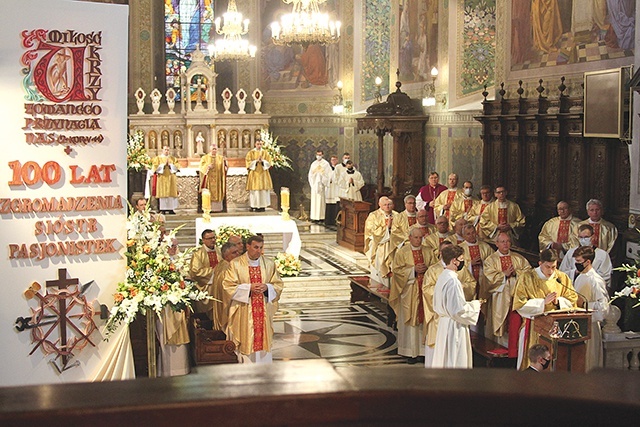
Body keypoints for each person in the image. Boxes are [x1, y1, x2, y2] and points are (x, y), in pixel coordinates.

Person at [513, 249, 578, 370]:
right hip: (533, 325)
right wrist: (543, 303)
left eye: (554, 267)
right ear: (540, 263)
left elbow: (573, 299)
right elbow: (519, 304)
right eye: (547, 267)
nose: (551, 271)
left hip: (556, 327)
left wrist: (559, 301)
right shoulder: (527, 278)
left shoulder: (562, 278)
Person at [223, 235, 284, 363]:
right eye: (256, 247)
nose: (259, 251)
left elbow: (278, 285)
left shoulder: (269, 264)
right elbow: (228, 286)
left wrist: (267, 287)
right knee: (246, 342)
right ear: (248, 246)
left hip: (263, 312)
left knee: (263, 344)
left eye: (261, 248)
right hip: (245, 312)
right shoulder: (236, 264)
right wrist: (248, 288)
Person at [422, 241, 477, 367]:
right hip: (454, 325)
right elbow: (457, 310)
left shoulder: (444, 276)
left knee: (444, 358)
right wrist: (475, 306)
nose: (463, 262)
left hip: (444, 323)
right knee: (454, 359)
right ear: (454, 261)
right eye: (461, 259)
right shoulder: (453, 281)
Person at [390, 228, 435, 363]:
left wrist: (427, 270)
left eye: (420, 237)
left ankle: (422, 351)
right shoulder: (402, 252)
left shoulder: (428, 251)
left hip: (425, 292)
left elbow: (435, 268)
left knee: (424, 320)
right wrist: (413, 271)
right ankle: (409, 351)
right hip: (409, 291)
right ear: (409, 238)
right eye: (415, 237)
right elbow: (397, 271)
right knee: (410, 321)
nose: (418, 240)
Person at [483, 232, 532, 352]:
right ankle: (498, 348)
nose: (506, 244)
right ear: (497, 244)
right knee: (500, 324)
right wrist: (503, 275)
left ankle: (513, 348)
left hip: (516, 296)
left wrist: (517, 273)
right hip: (499, 298)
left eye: (508, 241)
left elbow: (529, 273)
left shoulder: (519, 258)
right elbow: (489, 278)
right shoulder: (491, 260)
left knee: (514, 324)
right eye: (503, 242)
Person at [572, 245, 609, 371]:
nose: (576, 264)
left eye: (578, 262)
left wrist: (584, 304)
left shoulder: (596, 280)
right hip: (578, 325)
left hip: (590, 327)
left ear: (588, 262)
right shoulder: (581, 276)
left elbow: (604, 308)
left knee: (589, 362)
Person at [156, 237, 190, 377]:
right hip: (165, 309)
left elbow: (186, 279)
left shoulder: (180, 261)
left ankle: (182, 370)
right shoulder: (159, 262)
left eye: (176, 245)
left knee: (180, 343)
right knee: (166, 340)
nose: (174, 248)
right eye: (171, 245)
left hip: (178, 306)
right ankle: (167, 371)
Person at [458, 224, 493, 332]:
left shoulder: (485, 247)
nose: (471, 236)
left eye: (473, 232)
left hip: (483, 283)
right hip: (468, 284)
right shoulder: (460, 248)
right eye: (468, 234)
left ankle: (482, 332)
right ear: (463, 236)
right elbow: (457, 266)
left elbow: (492, 262)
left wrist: (484, 263)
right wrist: (470, 264)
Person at [560, 224, 612, 289]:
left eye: (586, 237)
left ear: (592, 237)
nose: (583, 240)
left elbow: (605, 276)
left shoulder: (603, 255)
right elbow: (562, 272)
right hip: (573, 288)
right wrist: (575, 272)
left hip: (593, 288)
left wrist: (588, 279)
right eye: (581, 237)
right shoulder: (571, 253)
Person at [364, 196, 399, 287]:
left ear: (393, 205)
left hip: (394, 248)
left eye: (389, 204)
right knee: (379, 274)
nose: (387, 206)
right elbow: (372, 232)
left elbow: (403, 231)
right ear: (379, 205)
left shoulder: (397, 215)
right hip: (379, 249)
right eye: (385, 205)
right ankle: (378, 294)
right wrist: (387, 228)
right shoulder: (373, 216)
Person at [189, 229, 222, 319]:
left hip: (219, 286)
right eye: (209, 238)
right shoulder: (198, 254)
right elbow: (195, 271)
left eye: (214, 237)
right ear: (203, 240)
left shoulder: (219, 251)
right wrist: (213, 271)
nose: (213, 240)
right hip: (206, 287)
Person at [212, 242, 242, 332]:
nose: (238, 255)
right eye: (234, 253)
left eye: (238, 252)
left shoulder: (222, 264)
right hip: (227, 306)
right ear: (226, 256)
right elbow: (228, 289)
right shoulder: (227, 269)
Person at [245, 138, 273, 212]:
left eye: (260, 144)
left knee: (263, 191)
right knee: (255, 191)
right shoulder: (251, 153)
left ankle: (262, 206)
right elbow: (248, 162)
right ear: (255, 144)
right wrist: (256, 162)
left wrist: (263, 161)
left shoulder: (265, 153)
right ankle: (254, 206)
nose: (259, 145)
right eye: (258, 144)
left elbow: (269, 163)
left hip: (263, 174)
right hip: (254, 174)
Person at [199, 144, 228, 213]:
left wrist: (226, 166)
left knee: (218, 192)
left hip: (218, 180)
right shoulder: (205, 157)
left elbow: (224, 168)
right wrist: (207, 166)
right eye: (213, 149)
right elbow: (201, 167)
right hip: (209, 179)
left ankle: (218, 209)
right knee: (209, 193)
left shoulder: (220, 158)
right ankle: (209, 208)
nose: (214, 150)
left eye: (215, 149)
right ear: (210, 149)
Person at [152, 146, 180, 214]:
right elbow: (155, 167)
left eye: (168, 150)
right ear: (162, 150)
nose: (166, 151)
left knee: (171, 194)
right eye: (165, 150)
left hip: (171, 177)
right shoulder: (158, 158)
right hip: (162, 177)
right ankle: (162, 209)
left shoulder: (173, 158)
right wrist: (163, 165)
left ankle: (171, 209)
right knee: (163, 194)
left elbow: (177, 167)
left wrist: (170, 165)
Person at [308, 150, 331, 223]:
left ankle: (321, 217)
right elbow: (310, 175)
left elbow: (328, 175)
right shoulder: (313, 164)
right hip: (315, 185)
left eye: (320, 155)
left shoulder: (326, 164)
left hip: (321, 185)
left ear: (323, 155)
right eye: (317, 154)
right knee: (314, 201)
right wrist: (315, 175)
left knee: (321, 201)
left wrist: (322, 175)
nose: (319, 156)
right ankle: (314, 217)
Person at [324, 155, 340, 226]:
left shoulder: (339, 168)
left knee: (335, 204)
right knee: (329, 204)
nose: (334, 161)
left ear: (337, 160)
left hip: (336, 189)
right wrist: (328, 180)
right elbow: (324, 177)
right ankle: (328, 220)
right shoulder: (327, 168)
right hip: (329, 188)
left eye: (335, 160)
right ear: (330, 161)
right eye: (332, 160)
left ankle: (335, 220)